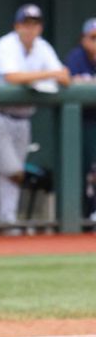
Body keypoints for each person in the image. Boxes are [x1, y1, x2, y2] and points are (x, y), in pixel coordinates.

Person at [0, 4, 69, 231]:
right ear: (17, 26)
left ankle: (9, 222)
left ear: (40, 27)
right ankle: (8, 220)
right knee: (12, 171)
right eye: (25, 24)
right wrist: (48, 75)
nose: (29, 29)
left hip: (22, 118)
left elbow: (65, 77)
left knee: (12, 173)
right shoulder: (5, 45)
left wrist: (54, 75)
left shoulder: (43, 47)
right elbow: (12, 77)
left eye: (34, 24)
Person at [63, 17, 96, 221]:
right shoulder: (76, 57)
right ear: (83, 40)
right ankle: (83, 217)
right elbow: (68, 80)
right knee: (83, 172)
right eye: (92, 37)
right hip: (80, 124)